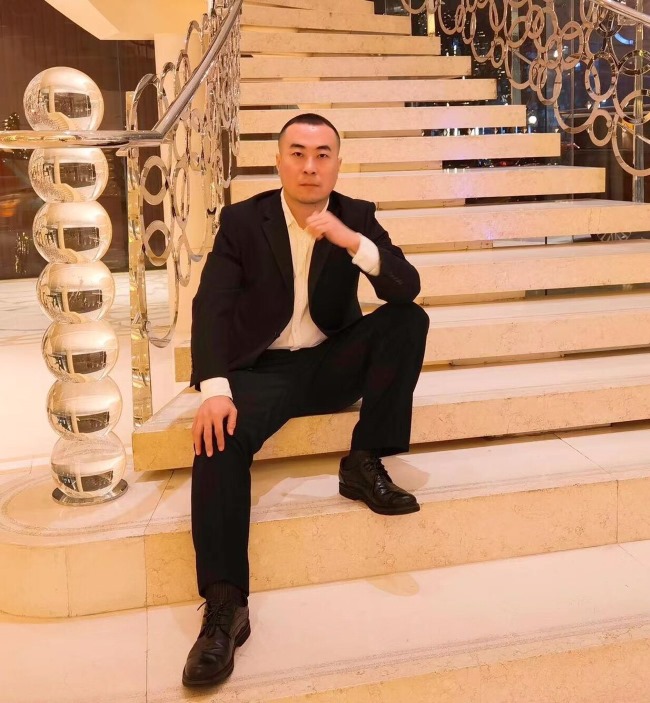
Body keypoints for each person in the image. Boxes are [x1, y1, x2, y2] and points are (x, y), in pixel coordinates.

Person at [183, 113, 429, 687]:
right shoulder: (244, 221)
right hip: (261, 370)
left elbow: (406, 286)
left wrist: (353, 243)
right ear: (279, 161)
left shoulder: (356, 215)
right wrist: (214, 389)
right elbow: (211, 305)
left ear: (338, 164)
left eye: (322, 155)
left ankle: (364, 460)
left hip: (328, 362)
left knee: (406, 321)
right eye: (298, 153)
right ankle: (224, 607)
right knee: (217, 441)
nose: (310, 166)